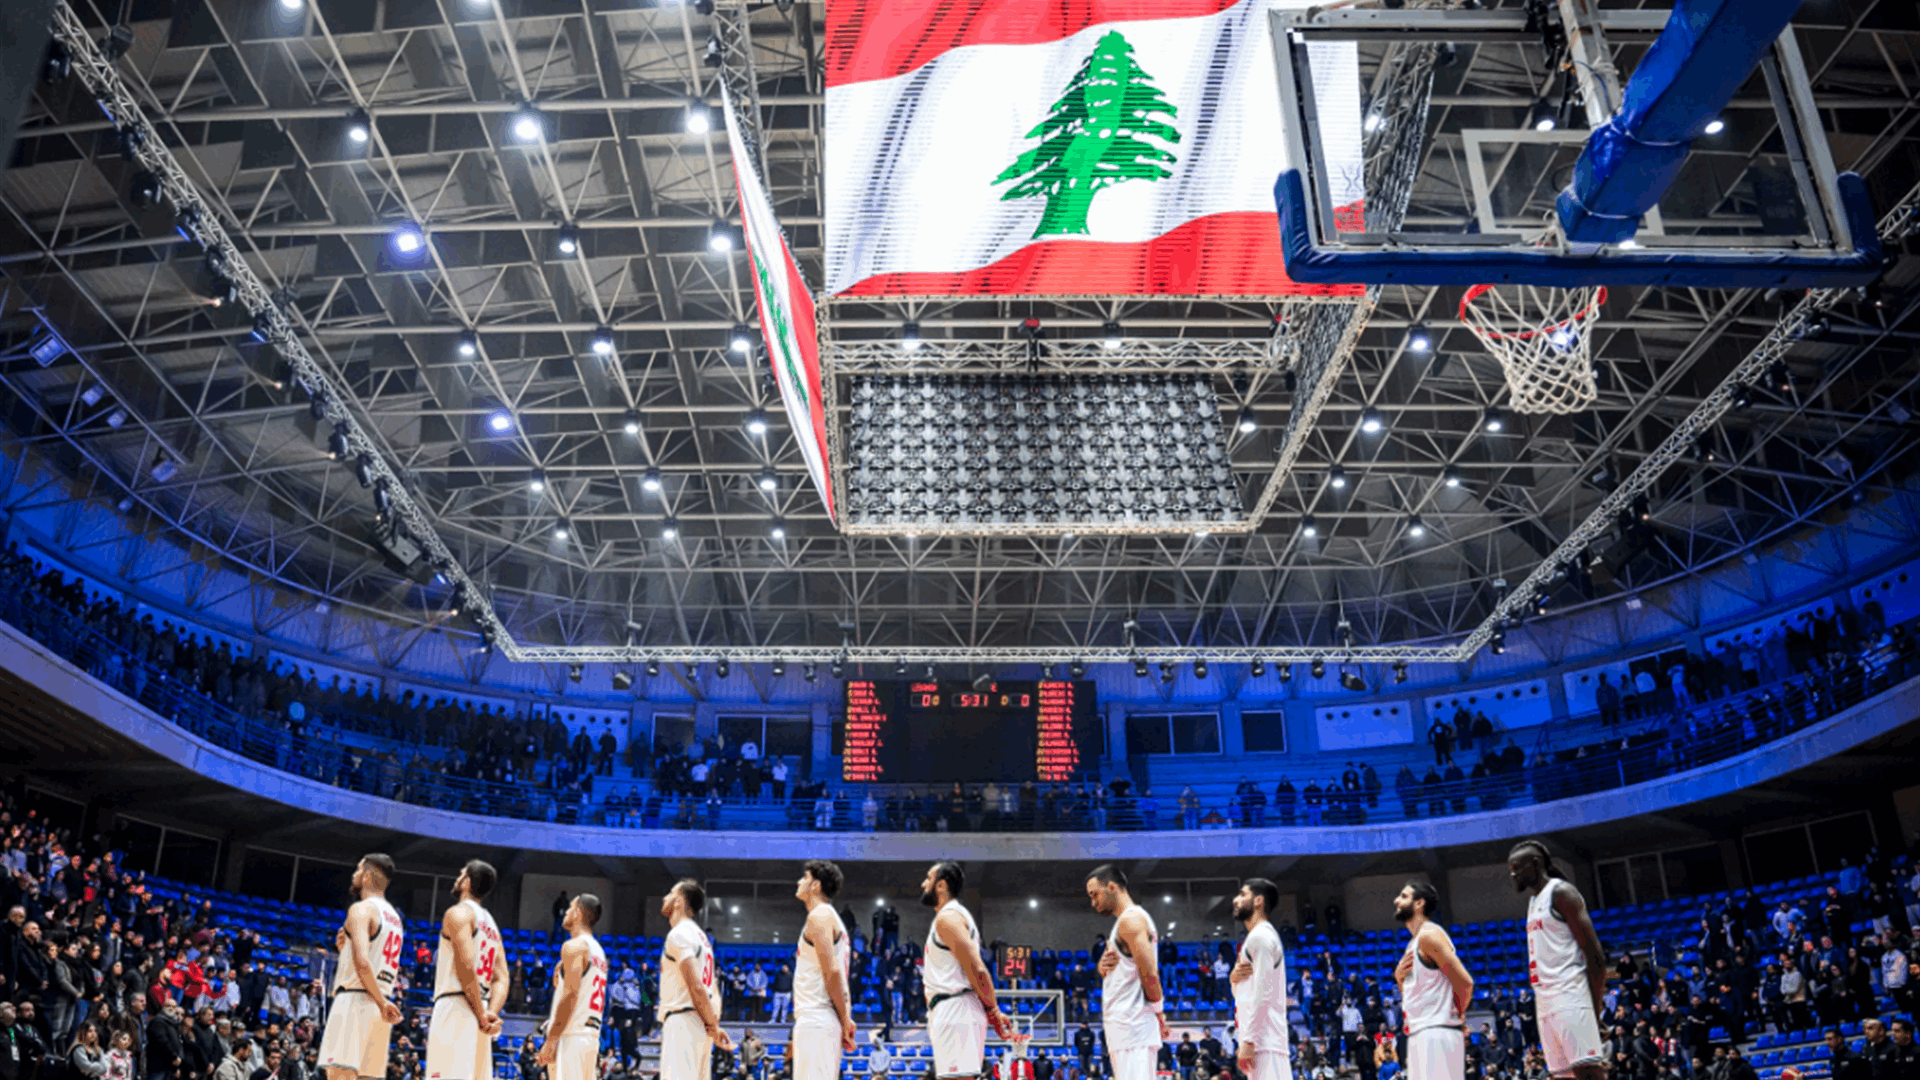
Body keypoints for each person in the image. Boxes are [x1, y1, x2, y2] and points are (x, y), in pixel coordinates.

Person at [1508, 841, 1607, 1080]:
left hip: (1570, 995)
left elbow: (1596, 958)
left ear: (1535, 864)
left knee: (1589, 1073)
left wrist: (1595, 1011)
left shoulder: (1562, 893)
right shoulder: (1533, 901)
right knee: (1562, 1076)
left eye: (1516, 868)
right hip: (1544, 1001)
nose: (1512, 875)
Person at [921, 862, 1014, 1080]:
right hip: (953, 1009)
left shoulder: (949, 918)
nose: (923, 883)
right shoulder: (951, 916)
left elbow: (977, 970)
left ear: (941, 885)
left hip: (956, 1008)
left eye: (928, 878)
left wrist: (993, 1010)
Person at [317, 854, 405, 1080]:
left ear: (366, 876)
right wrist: (344, 951)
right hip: (379, 1008)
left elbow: (363, 963)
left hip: (356, 1001)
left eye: (357, 870)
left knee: (338, 1076)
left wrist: (381, 1001)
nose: (354, 875)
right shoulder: (394, 918)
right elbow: (372, 959)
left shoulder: (361, 909)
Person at [426, 860, 509, 1080]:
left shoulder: (458, 913)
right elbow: (502, 978)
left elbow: (465, 966)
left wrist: (483, 1015)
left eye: (461, 874)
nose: (457, 879)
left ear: (467, 882)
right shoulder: (492, 925)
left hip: (456, 1006)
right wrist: (491, 1012)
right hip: (480, 1006)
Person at [1086, 866, 1169, 1080]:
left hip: (1133, 1027)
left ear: (1112, 887)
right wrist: (1101, 968)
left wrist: (1159, 1013)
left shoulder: (1131, 920)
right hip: (1127, 1030)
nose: (1093, 902)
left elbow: (1149, 974)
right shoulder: (1125, 922)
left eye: (1095, 894)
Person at [1393, 882, 1472, 1080]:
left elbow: (1465, 982)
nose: (1396, 900)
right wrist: (1399, 979)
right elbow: (1417, 996)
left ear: (1419, 903)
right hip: (1420, 1033)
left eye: (1403, 896)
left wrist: (1457, 1015)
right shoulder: (1413, 943)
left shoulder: (1430, 935)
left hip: (1436, 1033)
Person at [659, 879, 730, 1080]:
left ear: (679, 901)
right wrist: (712, 1023)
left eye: (671, 893)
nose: (665, 897)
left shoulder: (679, 934)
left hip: (684, 1020)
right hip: (701, 1022)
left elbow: (697, 985)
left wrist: (713, 1026)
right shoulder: (702, 937)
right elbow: (713, 989)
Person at [791, 862, 856, 1080]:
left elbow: (833, 972)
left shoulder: (820, 916)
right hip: (820, 1018)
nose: (799, 881)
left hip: (817, 1017)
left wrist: (846, 1019)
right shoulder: (828, 917)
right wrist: (845, 1017)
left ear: (816, 885)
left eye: (804, 877)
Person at [535, 894, 607, 1080]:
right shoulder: (598, 952)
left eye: (569, 908)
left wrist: (551, 1040)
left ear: (577, 913)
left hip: (572, 1036)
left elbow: (570, 996)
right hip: (590, 1037)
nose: (565, 912)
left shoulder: (574, 946)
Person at [1226, 879, 1289, 1080]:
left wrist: (1249, 1041)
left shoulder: (1260, 937)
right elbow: (1246, 993)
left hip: (1264, 1042)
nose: (1236, 900)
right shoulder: (1257, 937)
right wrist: (1233, 979)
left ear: (1258, 901)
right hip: (1262, 1041)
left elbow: (1263, 993)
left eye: (1243, 894)